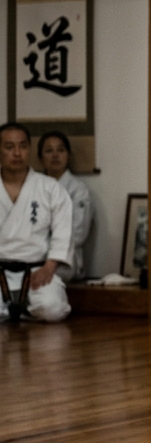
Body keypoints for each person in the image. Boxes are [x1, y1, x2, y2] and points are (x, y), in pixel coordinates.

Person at [0, 123, 73, 322]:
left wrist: (49, 267)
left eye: (23, 146)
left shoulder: (50, 188)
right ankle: (15, 308)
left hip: (36, 270)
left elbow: (63, 233)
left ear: (30, 150)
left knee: (53, 308)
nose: (17, 153)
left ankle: (13, 309)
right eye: (9, 147)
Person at [39, 131, 92, 282]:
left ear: (68, 155)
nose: (55, 155)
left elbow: (77, 234)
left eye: (60, 150)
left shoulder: (78, 190)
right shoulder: (34, 188)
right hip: (34, 257)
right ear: (41, 158)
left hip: (65, 261)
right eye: (49, 151)